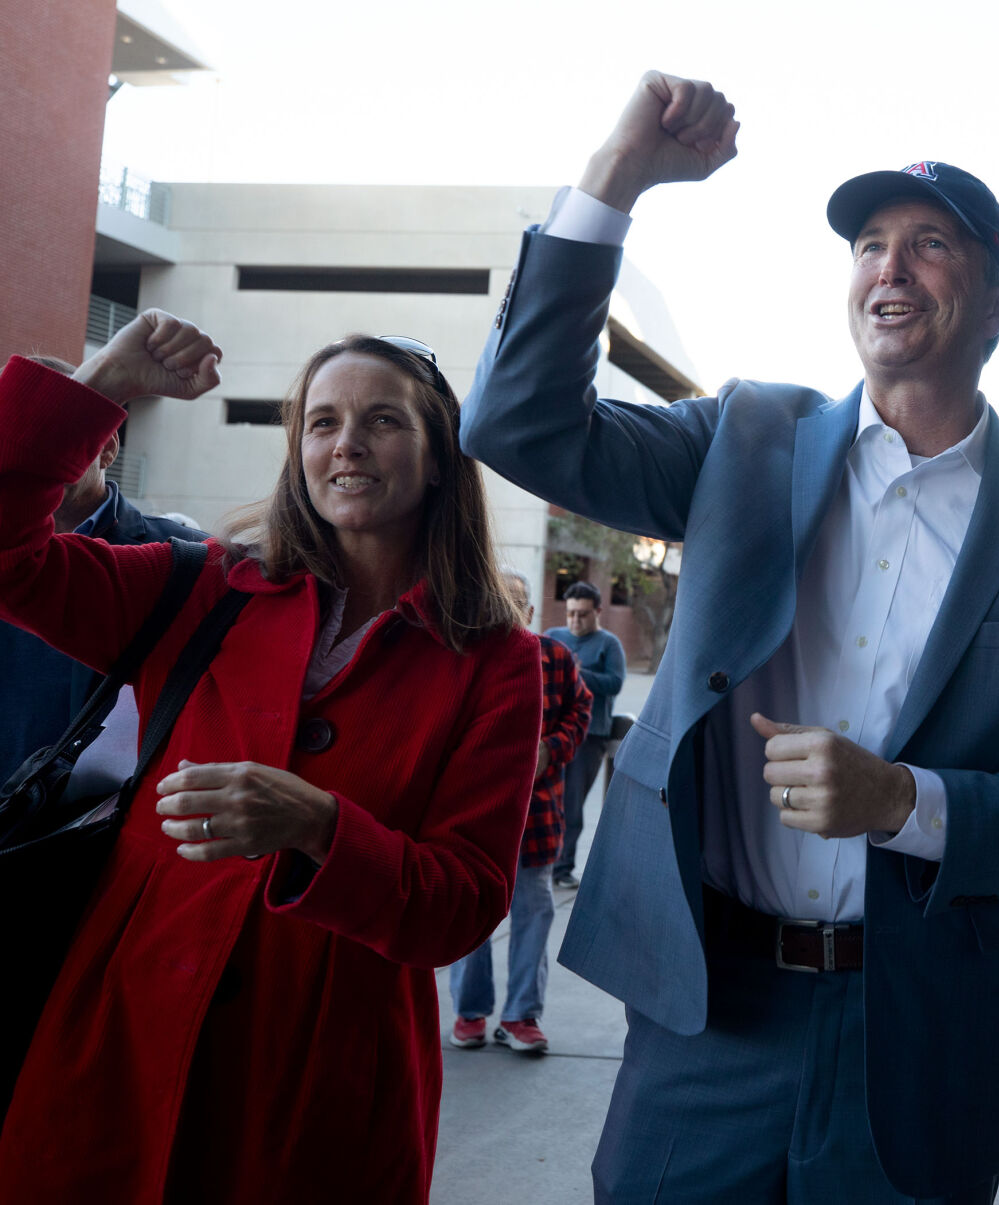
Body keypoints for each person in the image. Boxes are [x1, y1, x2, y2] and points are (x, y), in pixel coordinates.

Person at [461, 71, 999, 1203]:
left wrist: (903, 801)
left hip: (916, 1036)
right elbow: (515, 421)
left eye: (930, 243)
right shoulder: (746, 438)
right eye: (870, 242)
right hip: (709, 1010)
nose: (889, 265)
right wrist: (616, 181)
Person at [0, 313, 541, 1204]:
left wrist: (320, 826)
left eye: (383, 420)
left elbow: (465, 903)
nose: (348, 445)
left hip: (324, 1071)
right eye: (322, 422)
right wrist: (100, 388)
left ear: (440, 454)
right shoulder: (200, 585)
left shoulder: (498, 661)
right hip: (126, 1032)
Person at [0, 354, 204, 782]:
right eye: (22, 442)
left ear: (107, 448)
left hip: (99, 826)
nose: (38, 458)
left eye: (53, 439)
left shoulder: (186, 561)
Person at [449, 568, 591, 1053]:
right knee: (470, 915)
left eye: (518, 602)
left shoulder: (555, 657)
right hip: (473, 822)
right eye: (499, 601)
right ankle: (470, 1011)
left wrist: (552, 749)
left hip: (537, 819)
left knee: (534, 915)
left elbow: (581, 709)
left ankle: (521, 1016)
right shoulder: (463, 658)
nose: (508, 610)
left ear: (530, 612)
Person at [545, 580, 626, 888]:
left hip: (590, 735)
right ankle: (541, 863)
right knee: (543, 800)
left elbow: (614, 683)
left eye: (582, 614)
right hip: (551, 733)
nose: (575, 621)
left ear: (598, 612)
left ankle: (561, 869)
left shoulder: (609, 644)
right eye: (571, 614)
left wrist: (578, 672)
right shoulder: (553, 637)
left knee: (571, 803)